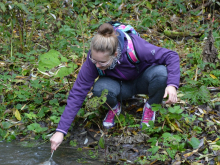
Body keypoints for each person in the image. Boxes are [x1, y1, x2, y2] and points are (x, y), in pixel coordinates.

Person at [50, 23, 180, 152]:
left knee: (162, 74)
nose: (97, 65)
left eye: (102, 62)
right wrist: (61, 131)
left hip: (143, 80)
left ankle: (151, 106)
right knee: (100, 89)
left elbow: (171, 56)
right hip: (119, 86)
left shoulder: (135, 46)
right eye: (94, 60)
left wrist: (172, 85)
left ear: (115, 54)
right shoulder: (94, 60)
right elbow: (78, 92)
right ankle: (113, 107)